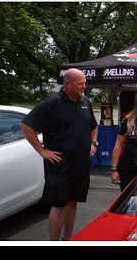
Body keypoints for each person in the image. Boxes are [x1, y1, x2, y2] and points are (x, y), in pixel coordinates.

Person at [20, 68, 98, 241]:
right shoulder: (51, 103)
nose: (84, 86)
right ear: (67, 84)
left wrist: (93, 143)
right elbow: (26, 126)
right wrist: (42, 150)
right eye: (80, 84)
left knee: (72, 202)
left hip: (80, 164)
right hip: (59, 166)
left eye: (84, 83)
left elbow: (93, 126)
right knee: (59, 206)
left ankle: (68, 239)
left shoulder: (85, 101)